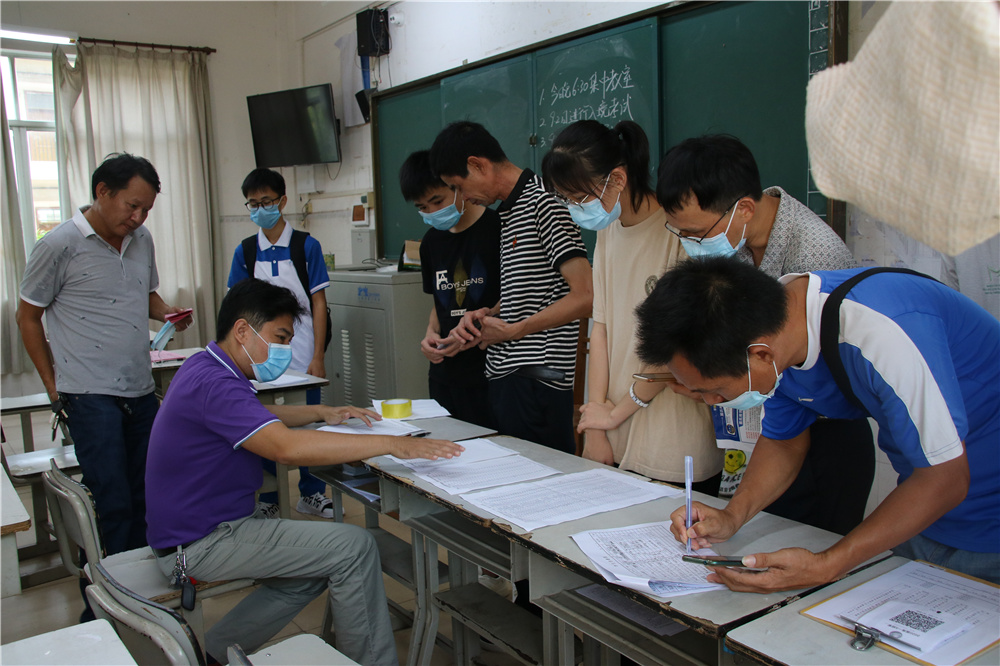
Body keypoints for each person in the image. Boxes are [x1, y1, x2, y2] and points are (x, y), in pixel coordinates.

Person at [145, 278, 464, 663]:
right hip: (202, 543)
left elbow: (256, 415)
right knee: (353, 547)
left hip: (191, 533)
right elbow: (286, 449)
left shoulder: (206, 367)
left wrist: (320, 412)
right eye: (279, 338)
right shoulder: (216, 383)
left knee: (312, 570)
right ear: (242, 330)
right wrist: (397, 443)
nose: (283, 350)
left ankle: (208, 653)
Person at [634, 256, 1000, 590]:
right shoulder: (778, 332)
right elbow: (784, 440)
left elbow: (946, 477)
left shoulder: (882, 333)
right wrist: (732, 516)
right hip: (932, 519)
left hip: (983, 516)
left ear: (760, 355)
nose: (712, 403)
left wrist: (827, 565)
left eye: (713, 392)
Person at [655, 134, 871, 534]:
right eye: (679, 233)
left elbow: (808, 373)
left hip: (821, 435)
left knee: (807, 565)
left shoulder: (816, 258)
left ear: (745, 209)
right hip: (763, 428)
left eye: (697, 234)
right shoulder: (732, 241)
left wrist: (721, 384)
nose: (690, 245)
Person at [17, 152, 191, 576]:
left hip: (138, 388)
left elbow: (143, 294)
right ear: (102, 192)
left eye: (146, 209)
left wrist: (167, 311)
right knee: (110, 498)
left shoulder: (142, 241)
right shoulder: (59, 245)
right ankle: (106, 596)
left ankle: (144, 585)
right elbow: (27, 316)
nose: (138, 216)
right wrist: (54, 387)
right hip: (88, 393)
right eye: (132, 205)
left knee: (148, 492)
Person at [540, 120, 720, 492]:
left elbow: (675, 347)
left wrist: (613, 415)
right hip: (612, 429)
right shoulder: (608, 230)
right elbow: (600, 330)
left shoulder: (681, 231)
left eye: (579, 197)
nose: (575, 209)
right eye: (566, 199)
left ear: (617, 180)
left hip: (671, 439)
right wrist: (595, 425)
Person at [429, 121, 592, 454]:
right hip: (511, 374)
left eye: (459, 186)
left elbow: (586, 296)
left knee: (544, 487)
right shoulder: (510, 210)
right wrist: (488, 314)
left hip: (537, 377)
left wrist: (515, 330)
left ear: (478, 165)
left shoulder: (544, 201)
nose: (462, 198)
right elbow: (535, 286)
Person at [228, 168, 335, 519]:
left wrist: (317, 356)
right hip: (260, 359)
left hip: (303, 355)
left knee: (309, 425)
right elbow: (237, 311)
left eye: (268, 202)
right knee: (262, 426)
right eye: (254, 204)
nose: (261, 209)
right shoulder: (245, 252)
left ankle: (312, 492)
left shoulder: (306, 246)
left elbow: (319, 304)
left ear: (283, 201)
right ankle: (269, 497)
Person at [399, 150, 501, 429]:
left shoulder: (497, 229)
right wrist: (431, 334)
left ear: (456, 186)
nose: (432, 213)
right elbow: (439, 300)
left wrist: (479, 324)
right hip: (444, 373)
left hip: (489, 372)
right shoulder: (431, 242)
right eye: (422, 208)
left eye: (437, 201)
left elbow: (518, 295)